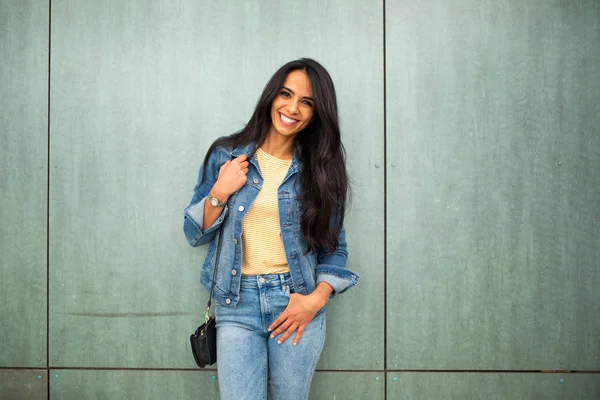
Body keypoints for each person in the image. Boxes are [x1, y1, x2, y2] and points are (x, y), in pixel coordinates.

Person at [183, 58, 359, 400]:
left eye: (306, 102)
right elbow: (194, 234)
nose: (292, 108)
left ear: (316, 113)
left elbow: (335, 248)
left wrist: (314, 301)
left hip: (296, 303)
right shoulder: (226, 155)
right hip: (237, 305)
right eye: (286, 94)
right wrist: (220, 191)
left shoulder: (320, 171)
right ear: (271, 96)